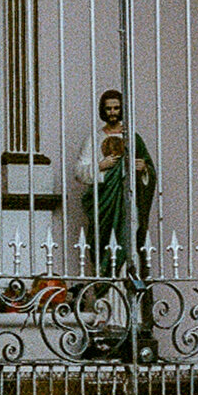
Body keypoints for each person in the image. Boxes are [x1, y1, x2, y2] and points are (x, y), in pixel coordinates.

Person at [73, 88, 156, 276]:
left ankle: (128, 292)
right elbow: (78, 171)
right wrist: (100, 166)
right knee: (103, 246)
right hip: (104, 205)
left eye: (116, 108)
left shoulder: (132, 138)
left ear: (122, 110)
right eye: (109, 108)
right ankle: (105, 292)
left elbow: (149, 172)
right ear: (103, 111)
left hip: (127, 204)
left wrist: (143, 169)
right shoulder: (94, 139)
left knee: (129, 241)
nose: (112, 112)